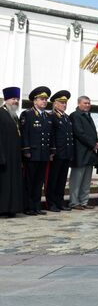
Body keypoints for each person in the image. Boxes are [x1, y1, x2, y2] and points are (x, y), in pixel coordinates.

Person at [19, 86, 54, 215]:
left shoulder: (47, 116)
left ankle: (36, 206)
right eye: (42, 99)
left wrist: (51, 151)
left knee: (39, 182)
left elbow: (50, 136)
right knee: (30, 181)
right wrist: (26, 150)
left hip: (43, 154)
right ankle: (28, 207)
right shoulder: (27, 114)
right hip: (32, 154)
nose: (44, 101)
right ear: (35, 101)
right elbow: (25, 134)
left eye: (45, 99)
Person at [69, 96, 98, 210]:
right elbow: (79, 133)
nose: (87, 105)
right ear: (78, 103)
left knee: (86, 180)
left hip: (89, 153)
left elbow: (91, 132)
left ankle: (84, 201)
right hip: (80, 152)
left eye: (88, 103)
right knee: (76, 179)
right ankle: (74, 202)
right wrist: (93, 144)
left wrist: (96, 141)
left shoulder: (88, 115)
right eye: (85, 103)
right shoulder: (75, 115)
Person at [47, 90, 74, 212]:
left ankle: (59, 201)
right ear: (55, 103)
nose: (64, 105)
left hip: (66, 153)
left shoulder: (66, 118)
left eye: (65, 103)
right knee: (53, 179)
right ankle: (51, 202)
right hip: (57, 153)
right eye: (62, 102)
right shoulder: (52, 116)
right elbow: (51, 135)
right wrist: (52, 151)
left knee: (62, 180)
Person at [0, 86, 24, 218]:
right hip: (4, 155)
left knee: (13, 183)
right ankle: (3, 209)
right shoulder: (0, 113)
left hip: (14, 156)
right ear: (6, 99)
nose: (16, 101)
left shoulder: (14, 115)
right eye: (13, 99)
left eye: (17, 99)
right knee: (4, 184)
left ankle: (12, 208)